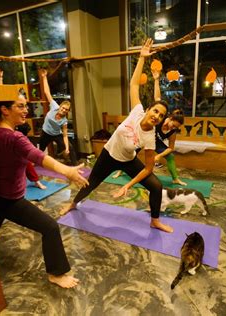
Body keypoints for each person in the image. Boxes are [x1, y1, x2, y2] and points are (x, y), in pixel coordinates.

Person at [0, 94, 89, 288]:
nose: (26, 110)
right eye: (20, 106)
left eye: (26, 106)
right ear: (5, 110)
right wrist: (67, 171)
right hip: (9, 199)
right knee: (50, 227)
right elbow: (38, 156)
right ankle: (56, 274)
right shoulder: (15, 138)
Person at [61, 38, 173, 233]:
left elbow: (148, 168)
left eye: (161, 115)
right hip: (108, 155)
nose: (157, 116)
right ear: (148, 110)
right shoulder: (137, 110)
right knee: (91, 183)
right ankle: (73, 203)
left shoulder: (149, 137)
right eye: (155, 111)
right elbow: (134, 86)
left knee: (156, 186)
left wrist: (127, 185)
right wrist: (141, 58)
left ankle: (155, 220)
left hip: (127, 160)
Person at [113, 70, 187, 186]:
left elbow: (170, 148)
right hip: (144, 135)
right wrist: (156, 79)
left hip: (155, 142)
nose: (172, 127)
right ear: (171, 118)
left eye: (176, 127)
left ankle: (175, 178)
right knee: (130, 151)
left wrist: (159, 155)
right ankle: (120, 170)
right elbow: (157, 98)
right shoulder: (160, 117)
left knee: (170, 156)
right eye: (173, 124)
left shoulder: (172, 132)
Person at [38, 68, 78, 166]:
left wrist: (67, 148)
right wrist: (44, 78)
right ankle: (35, 165)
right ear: (60, 107)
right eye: (63, 108)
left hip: (56, 134)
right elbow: (47, 92)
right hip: (45, 133)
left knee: (71, 148)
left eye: (66, 110)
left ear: (67, 111)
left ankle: (75, 166)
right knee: (40, 150)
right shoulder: (54, 106)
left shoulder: (64, 121)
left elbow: (64, 135)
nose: (64, 110)